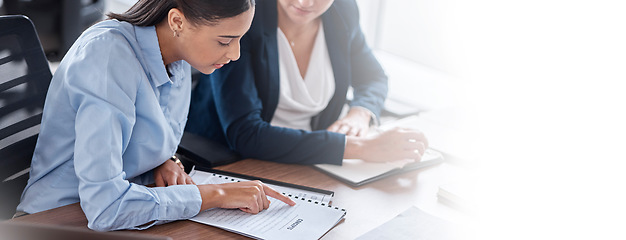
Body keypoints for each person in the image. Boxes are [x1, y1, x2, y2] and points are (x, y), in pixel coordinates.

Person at [16, 0, 295, 231]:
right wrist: (215, 194)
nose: (235, 54)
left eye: (239, 39)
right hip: (57, 222)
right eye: (225, 40)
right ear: (177, 22)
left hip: (133, 214)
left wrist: (164, 160)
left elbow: (143, 133)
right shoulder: (108, 56)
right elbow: (105, 208)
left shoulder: (179, 57)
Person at [186, 0, 429, 165]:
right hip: (235, 162)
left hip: (313, 161)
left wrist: (360, 113)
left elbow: (373, 77)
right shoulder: (243, 16)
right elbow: (246, 134)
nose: (305, 3)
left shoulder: (342, 11)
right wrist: (360, 148)